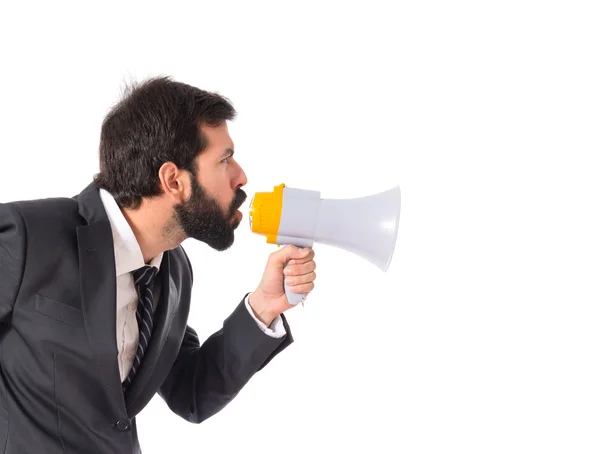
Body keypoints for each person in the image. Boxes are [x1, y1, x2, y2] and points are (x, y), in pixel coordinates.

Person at [0, 76, 317, 453]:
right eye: (225, 159)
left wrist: (263, 306)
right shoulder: (29, 236)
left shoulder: (173, 270)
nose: (241, 176)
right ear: (173, 180)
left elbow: (190, 393)